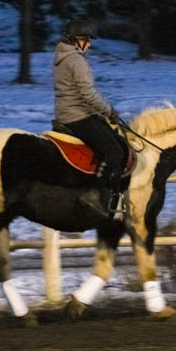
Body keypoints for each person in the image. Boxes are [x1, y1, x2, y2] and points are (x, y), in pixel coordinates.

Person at [53, 19, 124, 217]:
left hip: (66, 112)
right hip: (77, 116)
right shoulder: (76, 60)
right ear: (76, 40)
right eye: (87, 40)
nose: (89, 44)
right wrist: (109, 111)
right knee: (115, 151)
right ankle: (93, 193)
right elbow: (88, 95)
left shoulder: (61, 57)